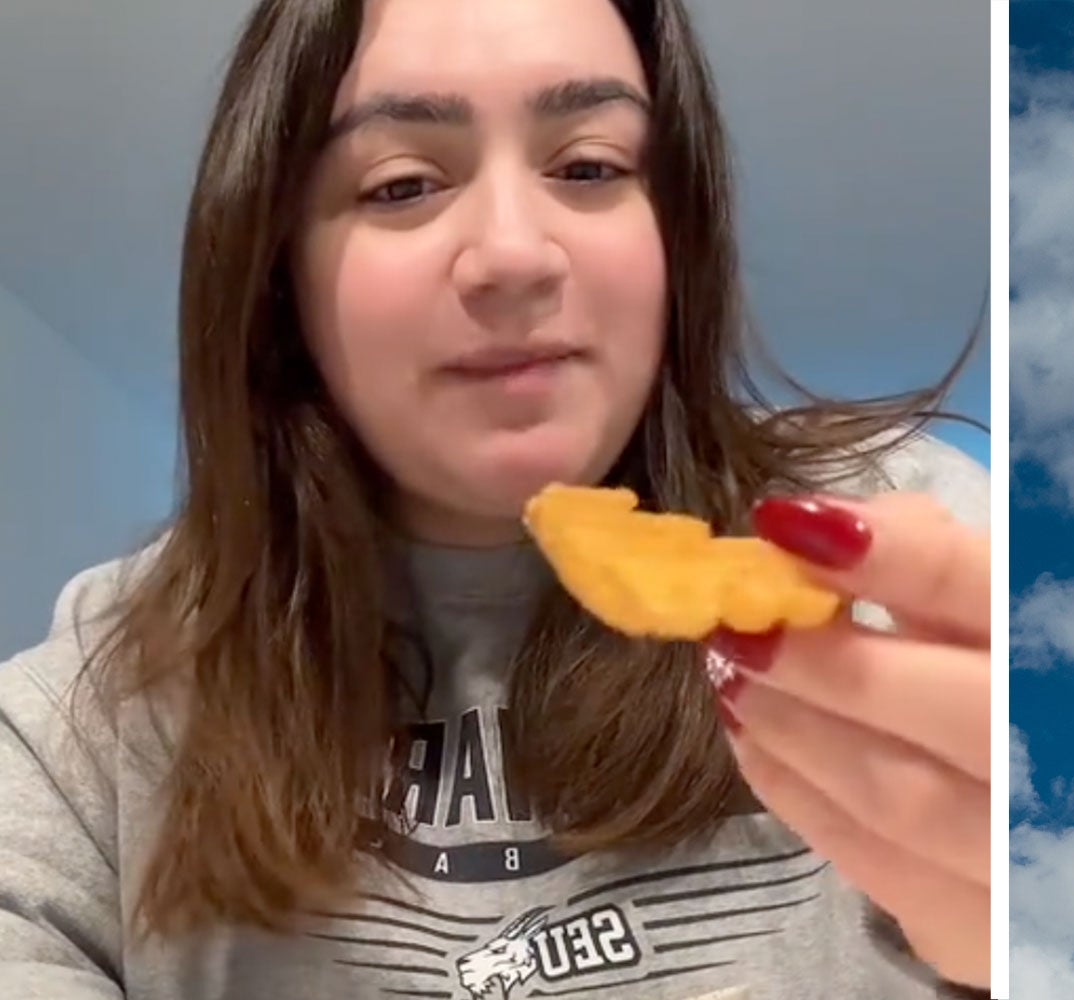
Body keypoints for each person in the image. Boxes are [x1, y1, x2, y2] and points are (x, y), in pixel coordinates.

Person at [0, 1, 991, 997]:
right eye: (401, 184)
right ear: (275, 268)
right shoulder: (104, 693)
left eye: (591, 168)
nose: (516, 254)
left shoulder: (904, 554)